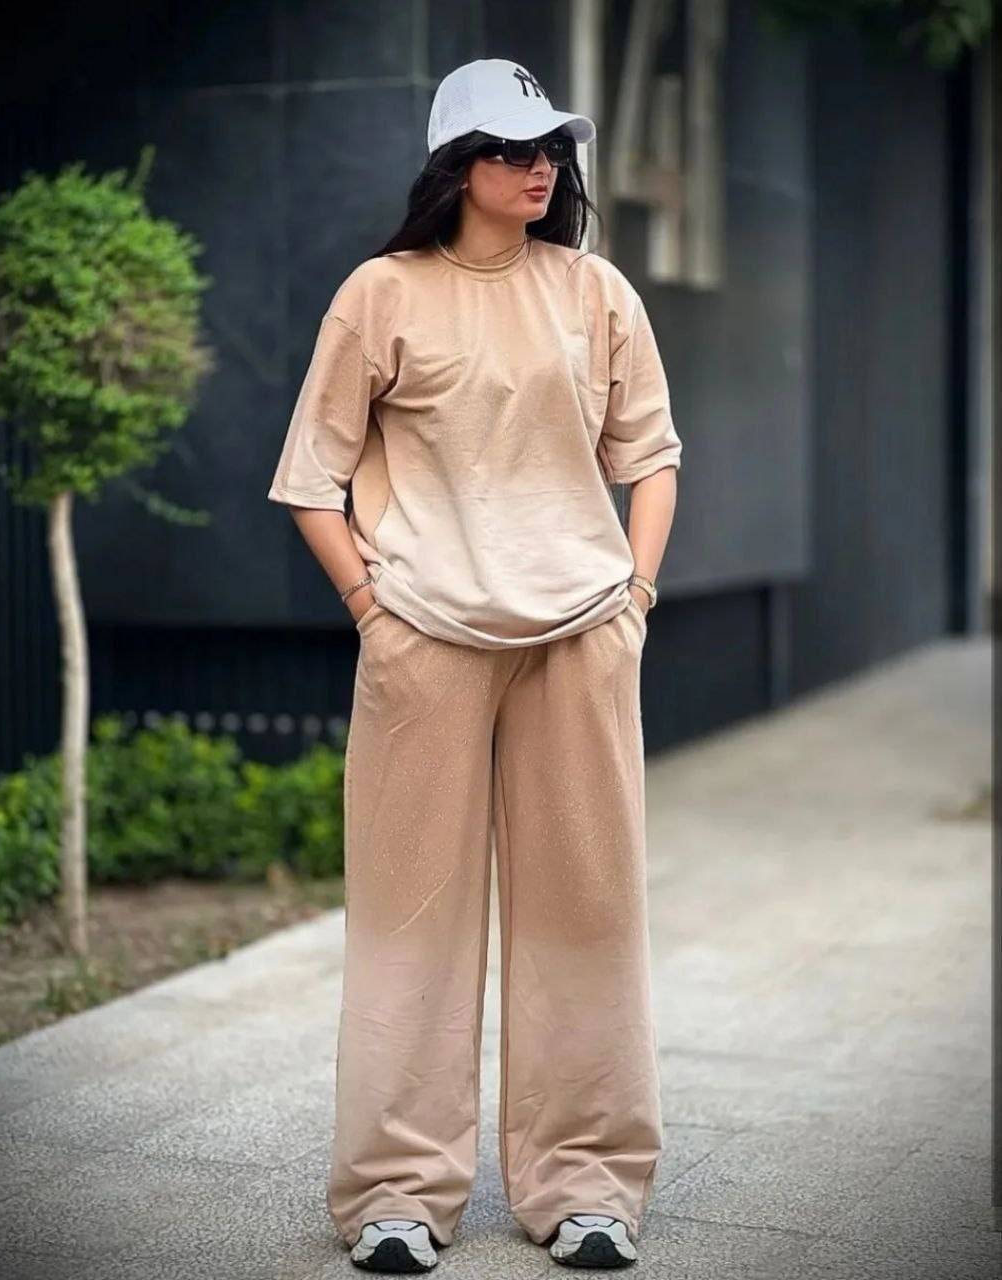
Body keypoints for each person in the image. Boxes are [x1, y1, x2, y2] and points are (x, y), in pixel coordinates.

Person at [267, 57, 682, 1273]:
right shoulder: (381, 292)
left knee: (588, 912)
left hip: (580, 633)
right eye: (508, 147)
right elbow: (310, 475)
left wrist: (634, 598)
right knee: (410, 917)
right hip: (425, 637)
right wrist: (369, 605)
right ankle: (395, 1191)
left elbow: (651, 453)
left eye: (548, 145)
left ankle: (588, 1184)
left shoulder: (594, 291)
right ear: (455, 166)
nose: (538, 165)